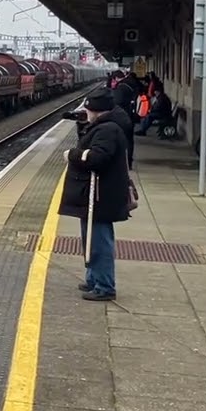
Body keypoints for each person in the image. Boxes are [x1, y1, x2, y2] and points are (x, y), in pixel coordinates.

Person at [61, 87, 132, 301]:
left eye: (88, 108)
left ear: (96, 109)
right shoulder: (105, 127)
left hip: (100, 196)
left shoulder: (107, 130)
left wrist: (72, 155)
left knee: (99, 242)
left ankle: (104, 286)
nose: (86, 112)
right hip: (94, 195)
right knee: (91, 239)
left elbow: (98, 158)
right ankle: (93, 279)